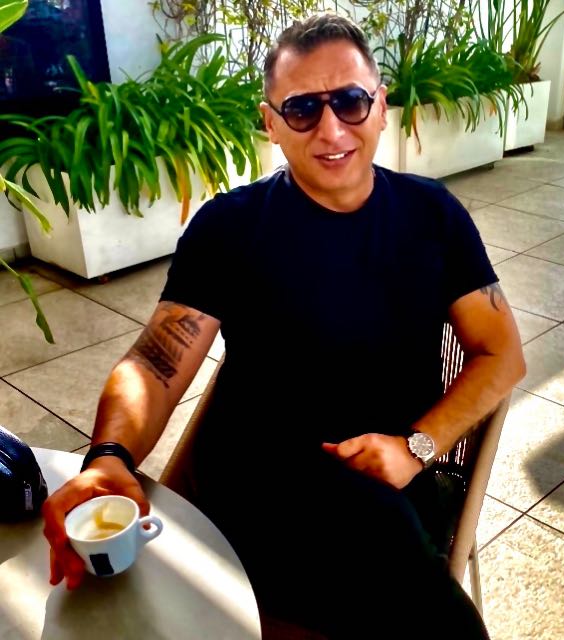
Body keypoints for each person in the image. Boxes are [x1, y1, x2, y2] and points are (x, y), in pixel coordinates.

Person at [42, 13, 526, 639]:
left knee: (386, 554)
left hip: (384, 487)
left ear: (381, 107)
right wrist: (109, 457)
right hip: (256, 490)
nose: (331, 129)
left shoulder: (432, 216)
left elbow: (501, 353)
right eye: (302, 109)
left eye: (351, 102)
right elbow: (155, 365)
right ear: (270, 123)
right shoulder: (230, 227)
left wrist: (415, 448)